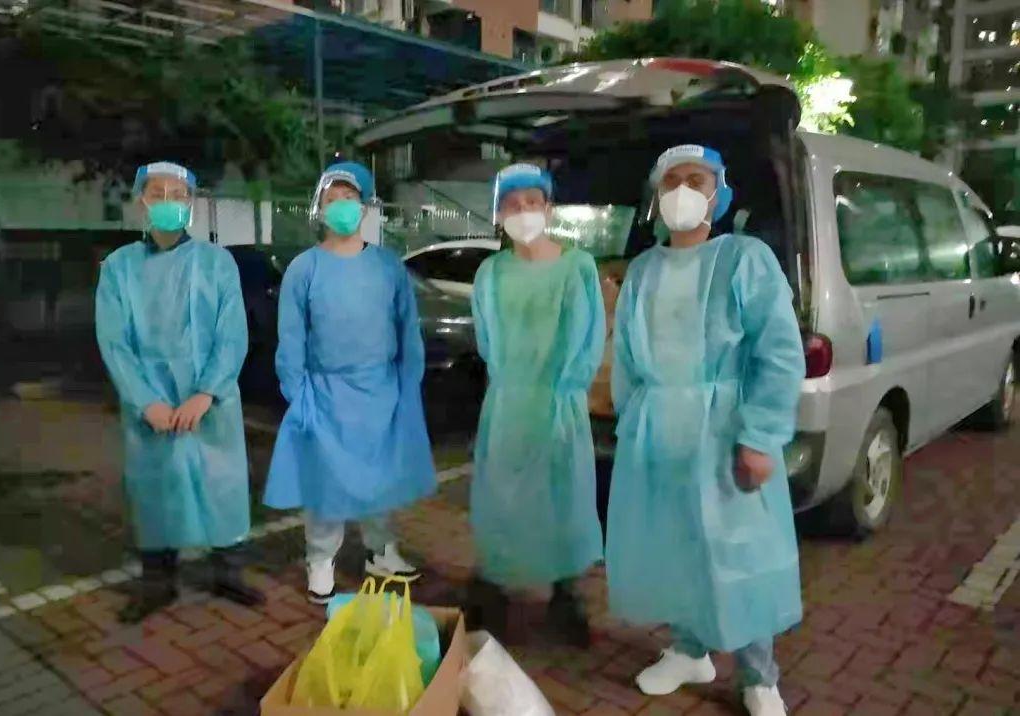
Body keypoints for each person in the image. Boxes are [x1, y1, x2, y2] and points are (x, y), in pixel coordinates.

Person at [604, 146, 804, 716]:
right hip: (659, 430)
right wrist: (632, 423)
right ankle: (690, 651)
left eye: (696, 180)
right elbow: (628, 358)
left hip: (724, 432)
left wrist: (760, 436)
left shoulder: (744, 259)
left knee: (740, 552)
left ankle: (759, 676)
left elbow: (779, 353)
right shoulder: (643, 270)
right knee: (676, 545)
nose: (682, 191)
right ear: (656, 195)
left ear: (719, 194)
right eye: (671, 181)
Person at [95, 161, 264, 623]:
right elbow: (114, 342)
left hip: (211, 401)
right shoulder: (119, 268)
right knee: (156, 489)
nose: (169, 202)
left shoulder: (217, 262)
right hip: (150, 404)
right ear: (141, 201)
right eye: (158, 193)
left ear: (191, 202)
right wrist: (145, 400)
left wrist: (206, 393)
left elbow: (231, 335)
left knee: (222, 484)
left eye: (178, 193)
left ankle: (228, 574)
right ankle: (158, 583)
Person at [264, 161, 436, 604]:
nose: (341, 204)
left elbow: (407, 331)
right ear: (319, 207)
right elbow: (291, 338)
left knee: (380, 478)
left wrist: (407, 386)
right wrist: (297, 394)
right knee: (326, 482)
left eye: (350, 197)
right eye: (332, 197)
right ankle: (321, 560)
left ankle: (381, 550)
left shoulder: (388, 267)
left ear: (365, 206)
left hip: (381, 390)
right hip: (325, 394)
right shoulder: (304, 268)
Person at [467, 163, 606, 646]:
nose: (523, 211)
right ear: (498, 213)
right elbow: (488, 342)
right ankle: (494, 589)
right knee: (501, 499)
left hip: (559, 401)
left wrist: (569, 386)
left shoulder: (577, 266)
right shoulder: (491, 273)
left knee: (563, 499)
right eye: (511, 204)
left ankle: (566, 594)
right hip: (508, 401)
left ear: (548, 208)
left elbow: (589, 337)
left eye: (532, 202)